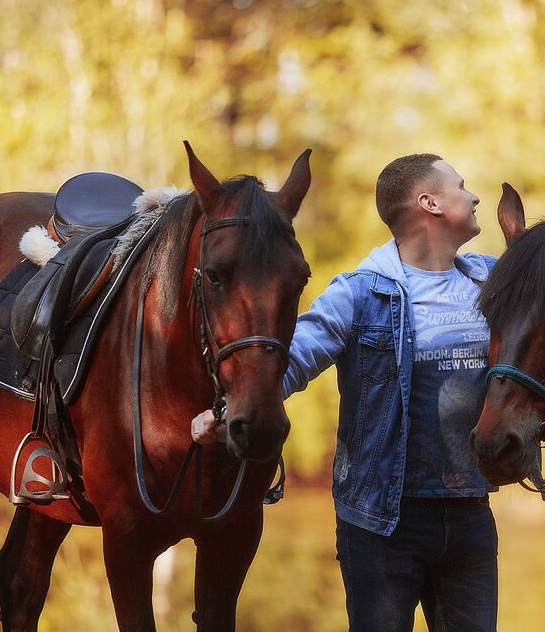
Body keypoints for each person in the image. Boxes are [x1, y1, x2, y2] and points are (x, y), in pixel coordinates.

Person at [194, 154, 498, 631]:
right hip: (381, 524)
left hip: (469, 516)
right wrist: (224, 405)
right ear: (429, 203)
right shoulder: (359, 293)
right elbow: (294, 359)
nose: (474, 195)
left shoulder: (492, 282)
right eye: (461, 186)